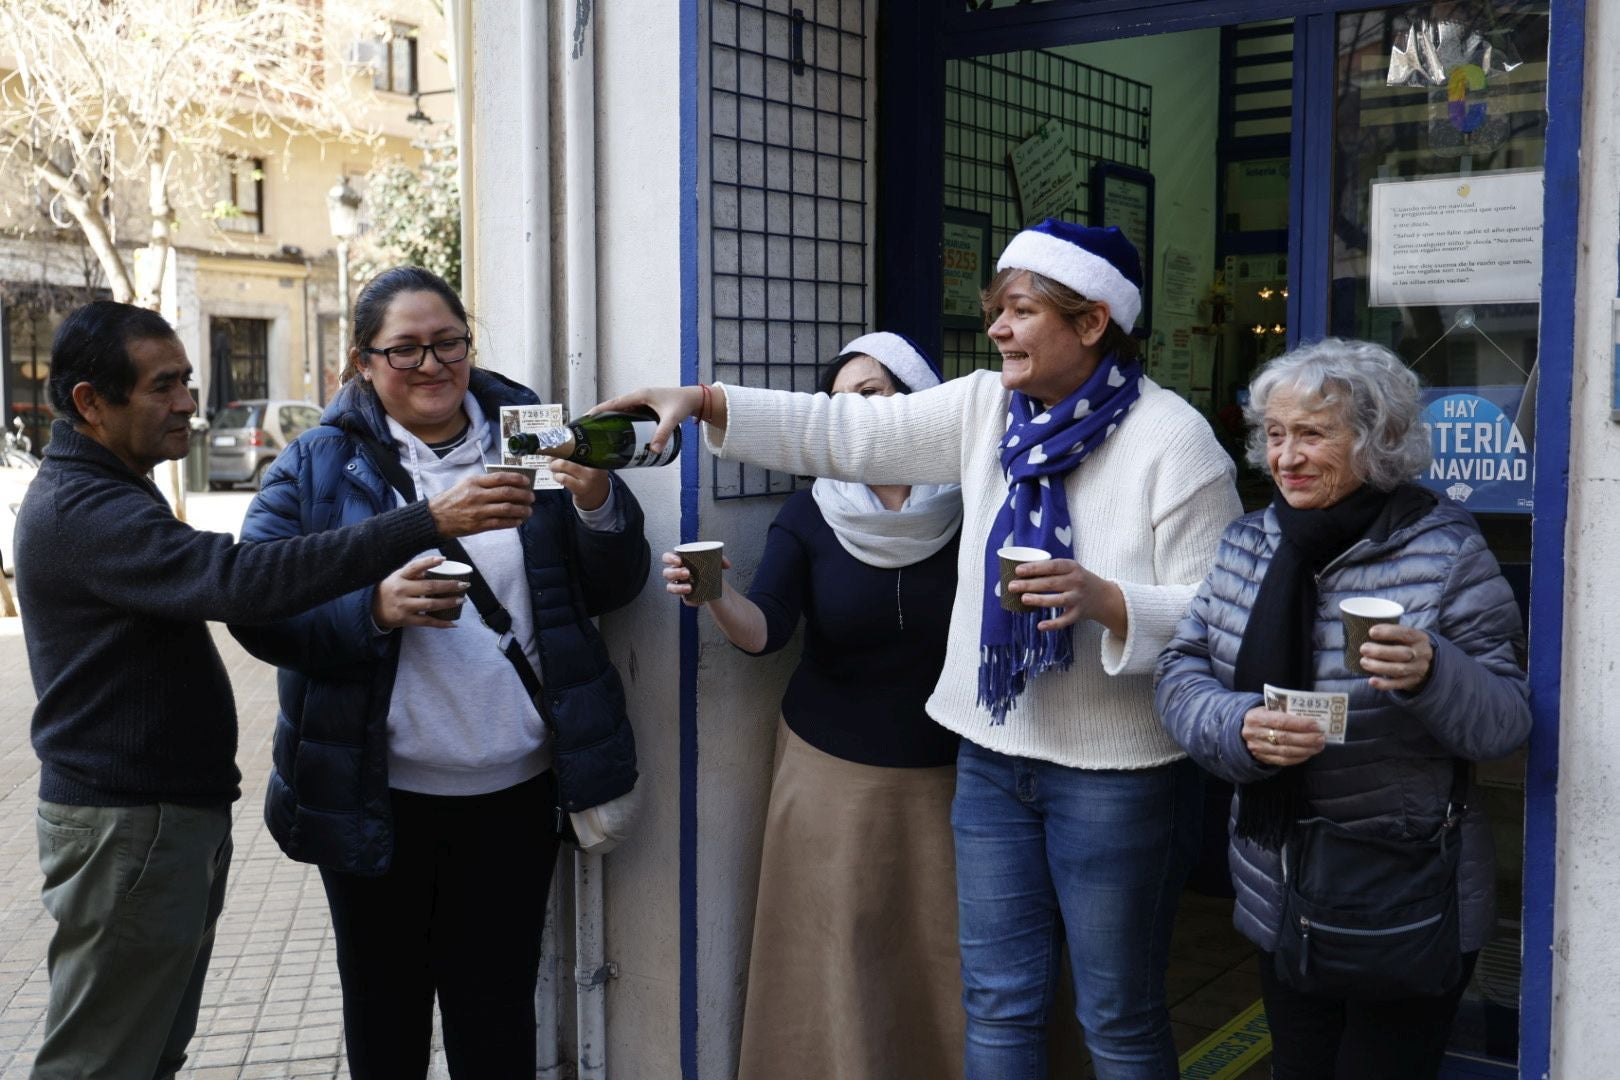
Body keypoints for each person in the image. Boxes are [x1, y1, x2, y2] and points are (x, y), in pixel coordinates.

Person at [600, 219, 1242, 1078]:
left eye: (1020, 310)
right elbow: (846, 434)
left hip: (1116, 776)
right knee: (998, 1004)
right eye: (995, 309)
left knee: (1116, 1017)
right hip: (989, 759)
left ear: (1092, 322)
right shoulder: (986, 408)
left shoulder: (1175, 440)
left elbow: (1220, 616)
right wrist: (708, 399)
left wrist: (1110, 599)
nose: (998, 329)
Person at [14, 300, 533, 1080]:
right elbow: (243, 582)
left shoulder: (110, 487)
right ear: (91, 402)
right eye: (164, 387)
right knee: (102, 1061)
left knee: (147, 1048)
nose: (190, 402)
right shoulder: (84, 509)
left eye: (187, 381)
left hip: (162, 822)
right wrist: (415, 536)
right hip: (130, 827)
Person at [228, 266, 648, 1079]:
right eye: (405, 350)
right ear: (362, 361)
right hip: (377, 798)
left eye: (448, 342)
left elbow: (611, 585)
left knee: (495, 1020)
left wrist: (598, 503)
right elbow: (256, 602)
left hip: (515, 794)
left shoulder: (532, 434)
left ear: (468, 342)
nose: (432, 366)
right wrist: (373, 609)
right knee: (386, 1023)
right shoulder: (319, 465)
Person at [1155, 338, 1532, 1079]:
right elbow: (1181, 667)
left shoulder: (1445, 550)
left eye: (1312, 434)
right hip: (1279, 880)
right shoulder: (1250, 543)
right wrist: (1238, 727)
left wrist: (1431, 671)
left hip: (1402, 883)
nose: (1286, 456)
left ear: (1377, 441)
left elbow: (1506, 724)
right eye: (1275, 434)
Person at [664, 333, 965, 1080]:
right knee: (837, 963)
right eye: (837, 406)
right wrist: (715, 596)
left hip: (957, 777)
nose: (854, 417)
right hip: (830, 773)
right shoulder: (811, 512)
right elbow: (766, 632)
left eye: (871, 395)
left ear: (921, 400)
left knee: (948, 961)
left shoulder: (979, 501)